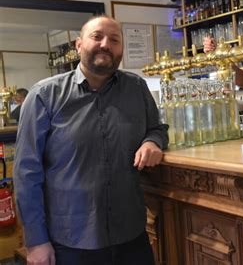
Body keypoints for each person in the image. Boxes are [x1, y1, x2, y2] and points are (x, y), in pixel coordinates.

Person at [13, 15, 168, 265]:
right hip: (71, 241)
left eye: (114, 39)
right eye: (97, 37)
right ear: (78, 45)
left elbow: (157, 128)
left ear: (120, 49)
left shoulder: (136, 87)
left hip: (131, 235)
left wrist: (153, 141)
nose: (105, 44)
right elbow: (27, 173)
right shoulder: (44, 95)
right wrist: (36, 241)